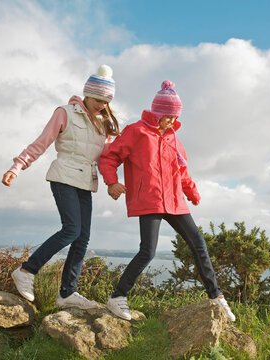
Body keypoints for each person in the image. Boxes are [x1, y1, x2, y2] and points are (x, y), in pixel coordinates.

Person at [98, 80, 236, 321]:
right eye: (168, 116)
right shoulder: (136, 132)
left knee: (198, 244)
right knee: (148, 252)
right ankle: (118, 297)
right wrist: (111, 182)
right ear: (158, 113)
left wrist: (191, 192)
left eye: (175, 116)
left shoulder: (174, 139)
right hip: (149, 198)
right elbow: (109, 157)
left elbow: (181, 171)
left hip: (175, 201)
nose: (172, 121)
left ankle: (216, 297)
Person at [2, 65, 119, 309]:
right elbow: (41, 143)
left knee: (82, 238)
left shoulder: (105, 124)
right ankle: (26, 270)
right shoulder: (65, 113)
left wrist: (113, 182)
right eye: (98, 98)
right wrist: (17, 166)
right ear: (87, 94)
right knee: (71, 230)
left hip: (86, 181)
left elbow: (107, 158)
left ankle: (67, 294)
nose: (101, 104)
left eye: (106, 100)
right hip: (63, 176)